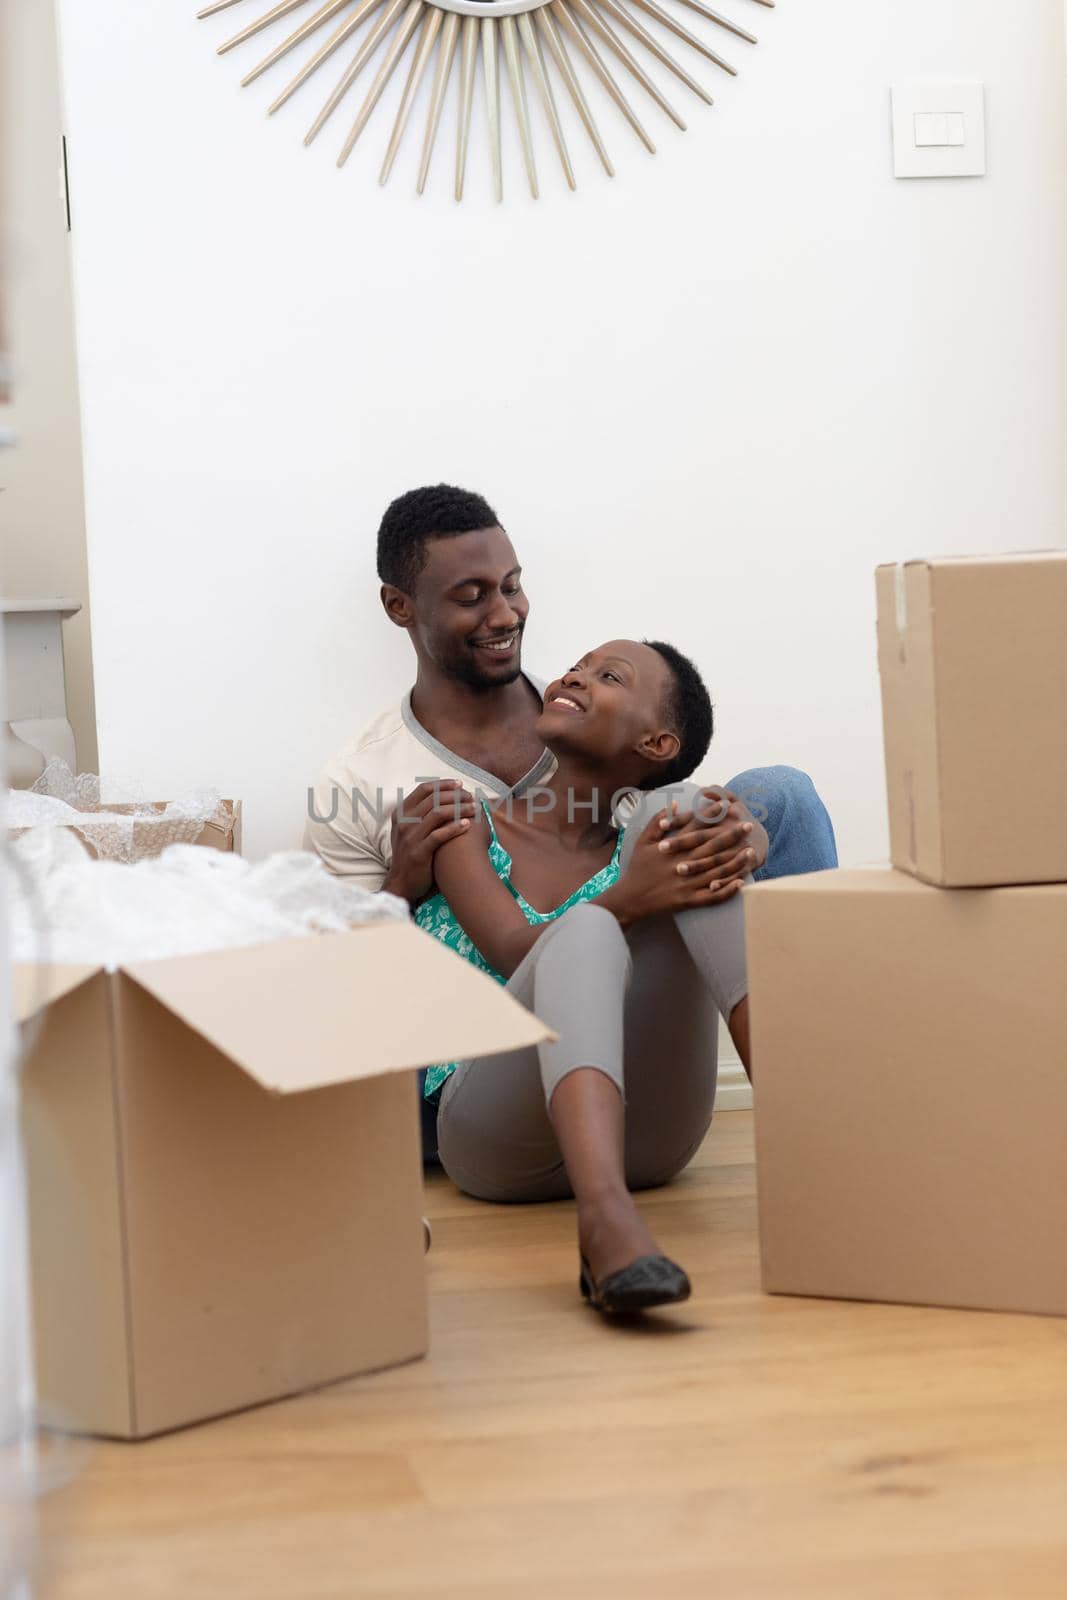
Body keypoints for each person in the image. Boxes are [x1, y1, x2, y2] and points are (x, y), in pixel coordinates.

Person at [304, 484, 838, 1156]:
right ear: (399, 606)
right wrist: (400, 889)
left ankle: (830, 1097)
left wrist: (746, 833)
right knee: (598, 918)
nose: (504, 614)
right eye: (471, 596)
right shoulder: (361, 782)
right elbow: (338, 1002)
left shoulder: (588, 732)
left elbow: (677, 817)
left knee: (774, 795)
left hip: (636, 1031)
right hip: (481, 1074)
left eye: (513, 586)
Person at [416, 635, 749, 1316]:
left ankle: (812, 1135)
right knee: (590, 926)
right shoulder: (460, 819)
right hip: (491, 1131)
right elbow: (514, 950)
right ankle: (605, 1224)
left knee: (683, 819)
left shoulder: (651, 844)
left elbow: (691, 834)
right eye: (577, 666)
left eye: (608, 676)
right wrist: (629, 899)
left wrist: (746, 838)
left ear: (656, 744)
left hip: (652, 1137)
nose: (572, 676)